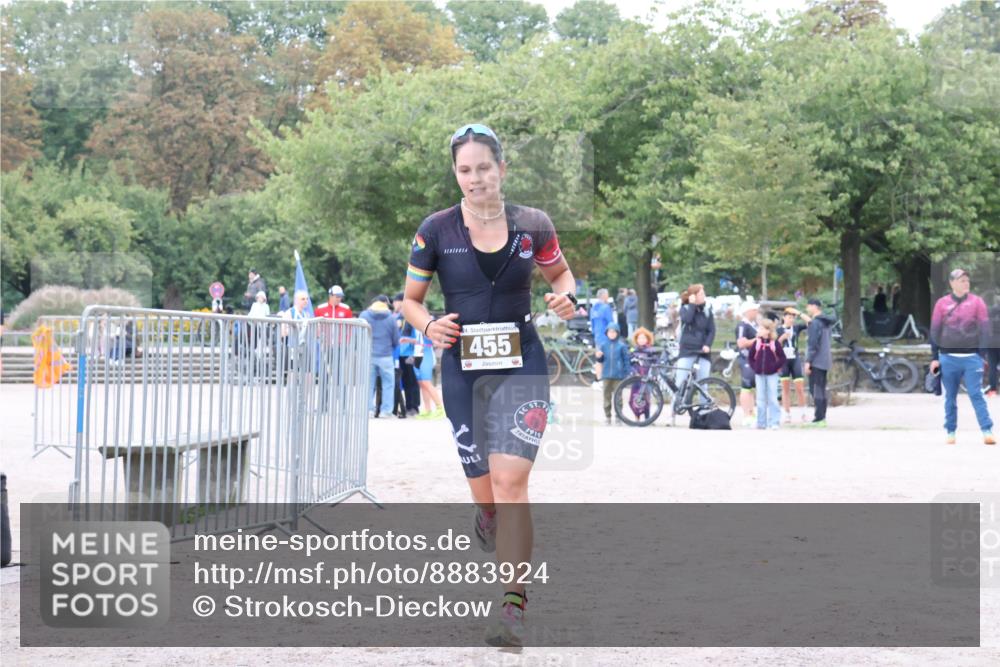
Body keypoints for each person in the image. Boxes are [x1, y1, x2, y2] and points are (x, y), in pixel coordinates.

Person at [401, 123, 576, 646]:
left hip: (523, 364)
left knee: (512, 481)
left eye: (483, 167)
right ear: (456, 174)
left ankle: (512, 607)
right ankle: (486, 514)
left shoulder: (534, 225)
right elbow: (409, 299)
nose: (475, 178)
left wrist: (567, 297)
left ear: (501, 168)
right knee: (487, 490)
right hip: (461, 368)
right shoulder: (435, 229)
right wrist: (428, 324)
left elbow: (562, 276)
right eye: (464, 170)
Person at [928, 269, 995, 445]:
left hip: (971, 358)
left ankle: (987, 430)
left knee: (976, 394)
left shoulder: (977, 302)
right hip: (948, 358)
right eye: (962, 280)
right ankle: (950, 431)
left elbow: (985, 330)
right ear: (952, 283)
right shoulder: (942, 304)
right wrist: (935, 357)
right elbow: (934, 331)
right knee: (950, 396)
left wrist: (981, 355)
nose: (966, 283)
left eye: (967, 280)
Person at [359, 296, 399, 419]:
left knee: (368, 384)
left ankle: (368, 411)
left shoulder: (364, 316)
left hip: (369, 355)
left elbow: (359, 335)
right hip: (386, 355)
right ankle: (386, 411)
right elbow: (396, 339)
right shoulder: (391, 318)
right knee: (388, 384)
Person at [675, 284, 715, 399]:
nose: (704, 296)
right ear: (693, 296)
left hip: (702, 351)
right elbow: (687, 319)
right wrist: (692, 304)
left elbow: (711, 330)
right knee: (680, 382)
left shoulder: (707, 311)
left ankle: (703, 411)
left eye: (704, 293)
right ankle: (675, 409)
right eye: (701, 294)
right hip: (687, 350)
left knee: (703, 384)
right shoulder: (685, 308)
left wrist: (707, 344)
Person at [747, 318, 786, 430]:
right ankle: (761, 422)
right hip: (759, 374)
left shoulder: (775, 344)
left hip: (772, 375)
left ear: (768, 330)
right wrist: (755, 367)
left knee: (773, 398)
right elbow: (750, 357)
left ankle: (774, 422)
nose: (759, 330)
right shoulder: (757, 343)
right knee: (760, 399)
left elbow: (782, 358)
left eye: (762, 328)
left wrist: (774, 367)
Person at [803, 298, 836, 428]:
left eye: (808, 306)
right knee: (821, 388)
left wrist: (808, 361)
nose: (807, 308)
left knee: (815, 389)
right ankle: (822, 417)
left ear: (814, 307)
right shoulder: (826, 322)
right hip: (825, 360)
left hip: (816, 361)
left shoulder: (815, 323)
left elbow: (813, 344)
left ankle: (819, 418)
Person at [777, 307, 811, 424]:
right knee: (785, 389)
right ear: (784, 318)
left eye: (793, 317)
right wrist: (782, 338)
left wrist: (799, 312)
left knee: (800, 388)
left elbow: (810, 322)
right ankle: (787, 414)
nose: (791, 320)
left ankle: (803, 413)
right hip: (783, 360)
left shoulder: (796, 328)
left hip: (794, 358)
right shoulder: (778, 330)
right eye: (789, 317)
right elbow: (774, 345)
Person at [595, 322, 630, 425]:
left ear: (617, 333)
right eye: (610, 332)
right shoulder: (603, 345)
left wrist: (626, 372)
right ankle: (608, 416)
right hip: (606, 375)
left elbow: (626, 360)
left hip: (618, 375)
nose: (612, 334)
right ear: (607, 333)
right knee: (606, 396)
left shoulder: (621, 346)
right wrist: (599, 356)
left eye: (614, 332)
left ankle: (618, 417)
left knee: (618, 397)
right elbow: (600, 360)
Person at [735, 301, 760, 427]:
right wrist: (758, 339)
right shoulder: (743, 325)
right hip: (746, 359)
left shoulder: (753, 325)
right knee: (746, 386)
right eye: (754, 310)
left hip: (754, 360)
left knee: (751, 388)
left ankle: (751, 412)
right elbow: (741, 343)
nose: (756, 312)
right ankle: (746, 415)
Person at [412, 328, 444, 419]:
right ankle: (428, 410)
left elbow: (436, 338)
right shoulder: (413, 324)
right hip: (417, 354)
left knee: (426, 382)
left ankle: (440, 408)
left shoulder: (425, 322)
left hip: (426, 354)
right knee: (422, 384)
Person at [589, 288, 614, 382]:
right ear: (604, 296)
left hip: (597, 336)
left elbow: (592, 323)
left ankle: (598, 379)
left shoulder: (594, 308)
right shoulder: (606, 308)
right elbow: (611, 323)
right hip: (606, 336)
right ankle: (606, 380)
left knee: (599, 359)